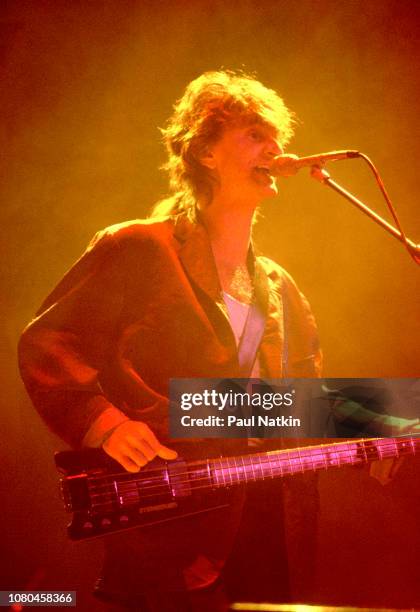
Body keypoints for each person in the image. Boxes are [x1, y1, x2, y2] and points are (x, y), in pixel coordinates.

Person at [18, 70, 322, 610]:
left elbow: (291, 407)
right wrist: (102, 422)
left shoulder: (278, 284)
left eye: (277, 136)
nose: (276, 148)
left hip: (266, 520)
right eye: (255, 133)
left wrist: (384, 430)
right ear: (205, 151)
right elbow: (50, 341)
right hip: (173, 516)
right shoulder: (140, 248)